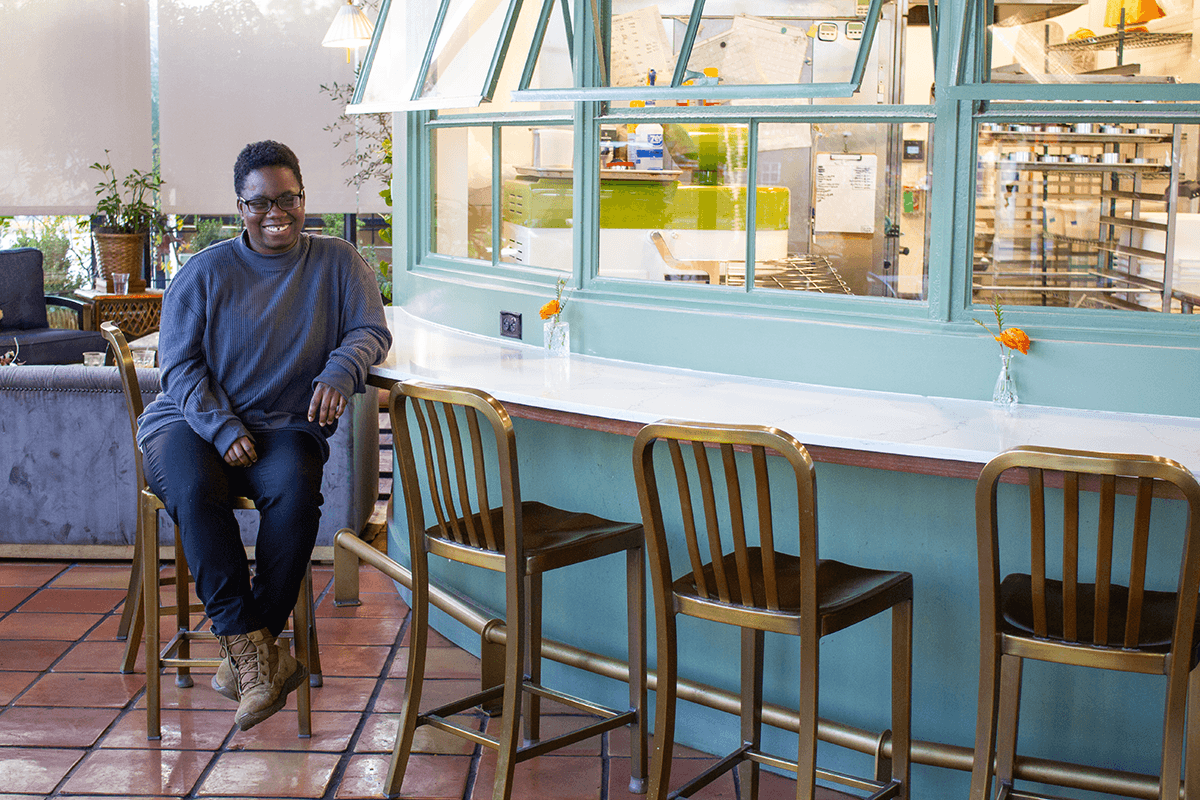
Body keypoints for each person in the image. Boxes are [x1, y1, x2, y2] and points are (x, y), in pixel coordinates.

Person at [137, 140, 392, 731]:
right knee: (198, 492)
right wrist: (221, 427)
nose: (276, 212)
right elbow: (176, 368)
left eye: (288, 199)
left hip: (282, 426)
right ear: (238, 208)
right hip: (189, 422)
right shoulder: (204, 274)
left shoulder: (338, 263)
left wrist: (340, 367)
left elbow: (370, 329)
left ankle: (249, 651)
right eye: (260, 203)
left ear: (304, 198)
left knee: (298, 490)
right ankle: (255, 658)